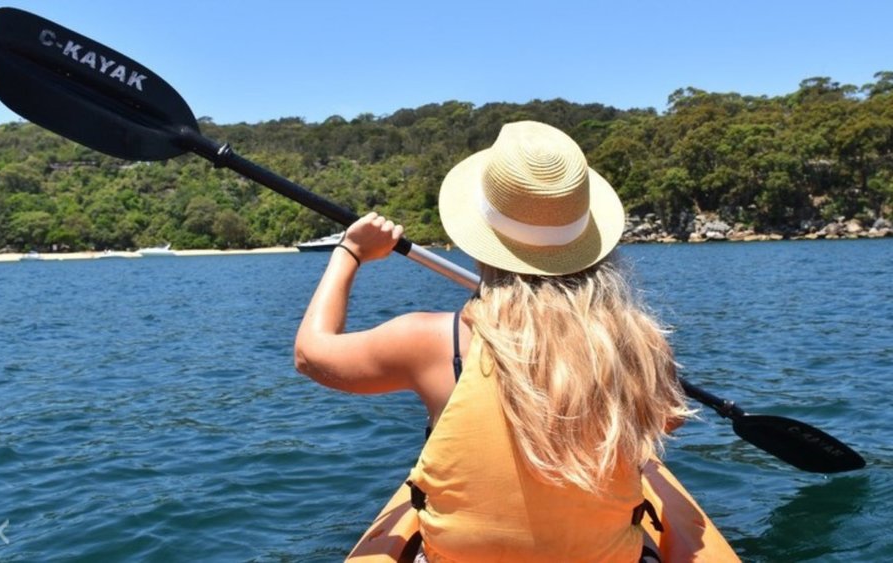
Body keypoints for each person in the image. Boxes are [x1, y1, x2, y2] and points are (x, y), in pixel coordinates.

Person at [294, 121, 691, 562]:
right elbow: (666, 423)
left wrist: (349, 252)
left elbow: (311, 354)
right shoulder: (642, 343)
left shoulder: (432, 341)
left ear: (481, 243)